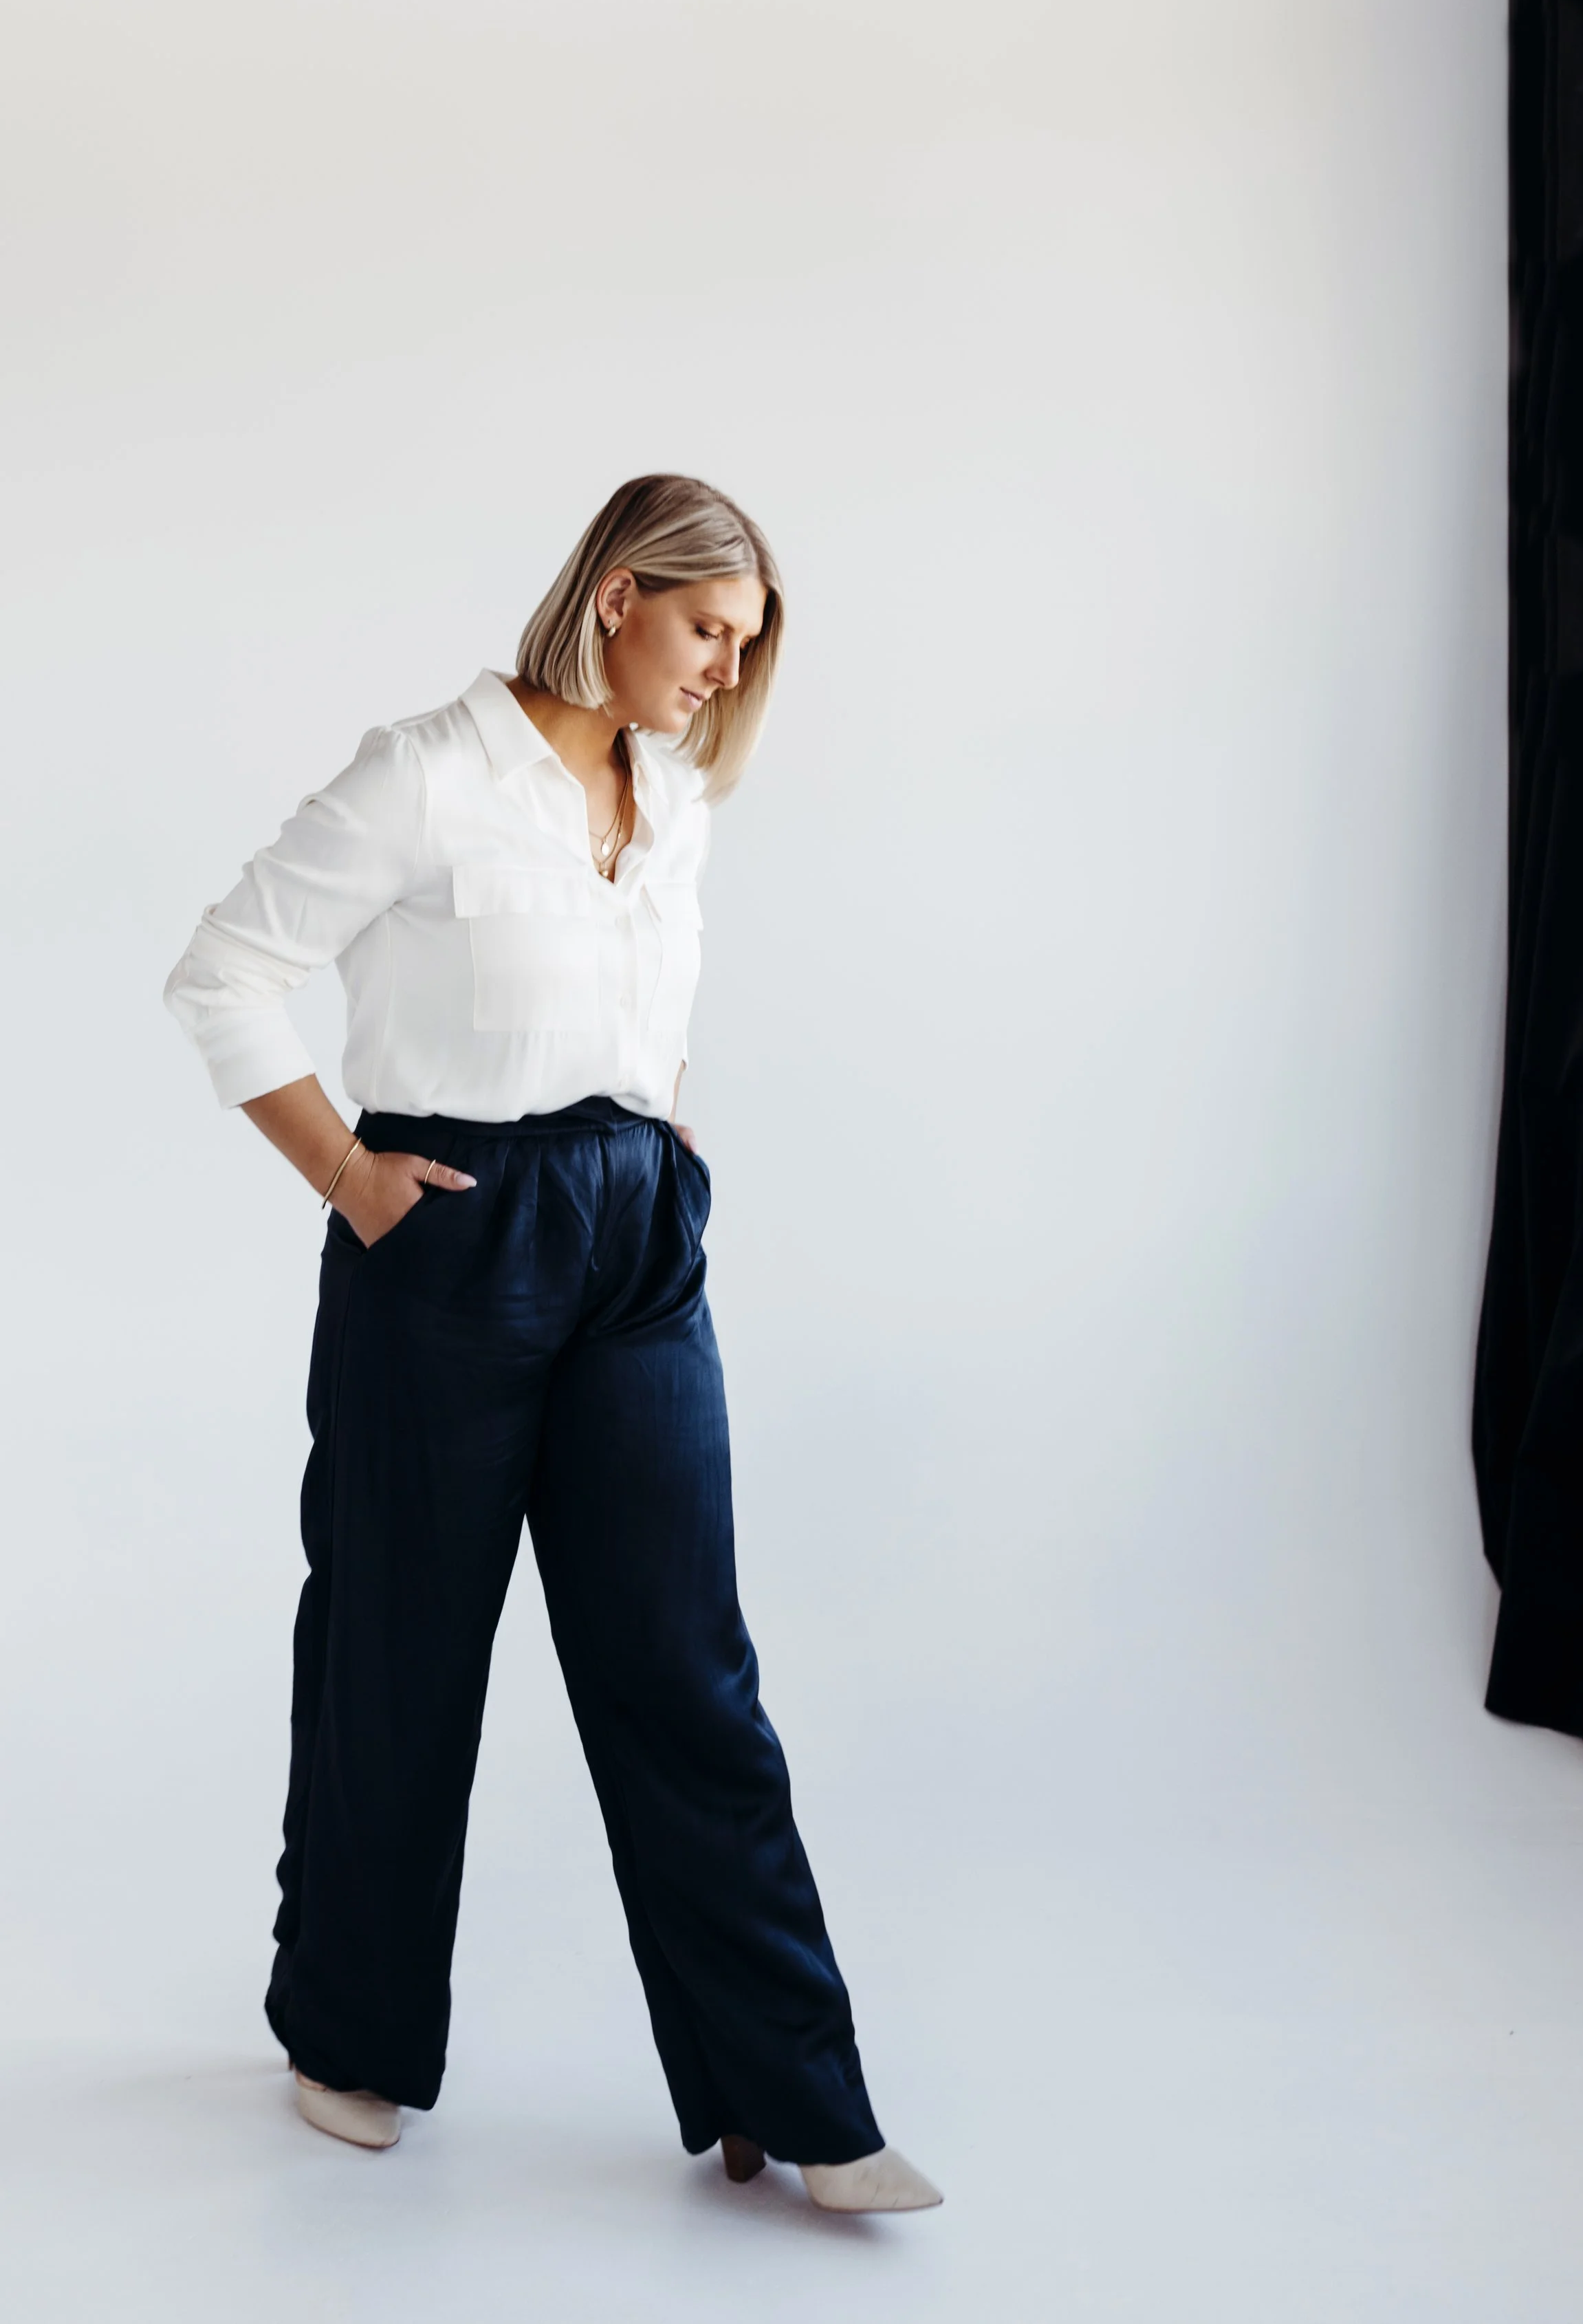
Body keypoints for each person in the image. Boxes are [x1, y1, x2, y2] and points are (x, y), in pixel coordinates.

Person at [162, 473, 941, 2215]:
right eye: (705, 633)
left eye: (746, 650)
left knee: (686, 1666)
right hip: (448, 1234)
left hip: (638, 1241)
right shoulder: (431, 772)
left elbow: (642, 1024)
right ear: (616, 597)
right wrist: (354, 1177)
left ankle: (783, 2090)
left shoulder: (671, 800)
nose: (722, 678)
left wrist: (660, 1149)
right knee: (398, 1648)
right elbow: (221, 973)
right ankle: (345, 2037)